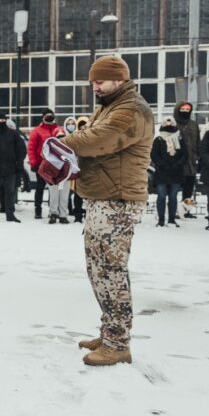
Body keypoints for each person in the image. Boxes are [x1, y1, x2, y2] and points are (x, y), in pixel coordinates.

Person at [61, 55, 153, 367]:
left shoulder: (130, 109)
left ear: (119, 79)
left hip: (118, 200)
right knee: (97, 269)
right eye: (93, 81)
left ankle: (118, 344)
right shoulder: (109, 104)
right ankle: (110, 331)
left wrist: (63, 143)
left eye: (100, 80)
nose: (95, 86)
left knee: (111, 272)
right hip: (102, 197)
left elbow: (98, 140)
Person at [150, 117, 187, 228]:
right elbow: (154, 155)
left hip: (176, 172)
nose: (168, 125)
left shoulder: (180, 139)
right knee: (161, 196)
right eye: (166, 123)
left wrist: (177, 164)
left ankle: (171, 219)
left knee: (173, 197)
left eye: (171, 123)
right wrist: (164, 164)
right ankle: (161, 220)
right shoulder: (158, 140)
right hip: (162, 172)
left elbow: (184, 155)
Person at [174, 101, 200, 219]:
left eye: (187, 109)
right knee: (174, 188)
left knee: (188, 188)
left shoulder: (194, 124)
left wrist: (197, 157)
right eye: (183, 108)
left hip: (190, 162)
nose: (185, 111)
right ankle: (172, 210)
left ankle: (186, 210)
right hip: (176, 162)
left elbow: (197, 142)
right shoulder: (173, 123)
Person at [70, 117, 89, 222]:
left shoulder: (92, 137)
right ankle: (77, 214)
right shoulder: (75, 137)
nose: (83, 128)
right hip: (78, 169)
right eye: (81, 126)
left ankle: (88, 214)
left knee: (89, 194)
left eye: (84, 125)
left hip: (89, 170)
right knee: (77, 194)